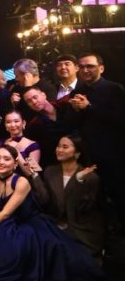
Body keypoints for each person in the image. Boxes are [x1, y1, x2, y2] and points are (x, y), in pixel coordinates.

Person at [0, 145, 105, 281]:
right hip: (10, 223)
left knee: (29, 252)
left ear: (15, 163)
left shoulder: (21, 182)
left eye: (6, 159)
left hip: (29, 224)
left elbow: (5, 213)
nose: (1, 162)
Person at [69, 52, 125, 226]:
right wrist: (76, 110)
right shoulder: (77, 92)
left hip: (114, 153)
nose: (85, 70)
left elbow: (120, 120)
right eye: (82, 67)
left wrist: (89, 107)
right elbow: (74, 123)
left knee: (118, 194)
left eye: (90, 66)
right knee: (95, 196)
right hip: (88, 154)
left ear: (101, 68)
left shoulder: (114, 89)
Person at [27, 135, 105, 258]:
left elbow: (82, 207)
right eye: (58, 146)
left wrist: (78, 181)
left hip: (81, 230)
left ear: (77, 153)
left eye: (65, 147)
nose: (59, 150)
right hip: (57, 225)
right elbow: (44, 200)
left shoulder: (89, 177)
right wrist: (35, 176)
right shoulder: (50, 171)